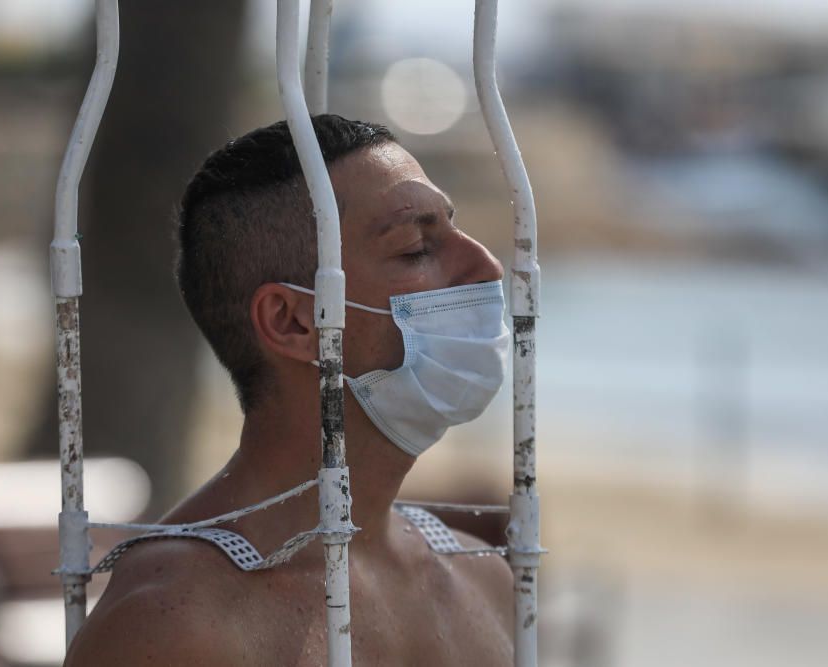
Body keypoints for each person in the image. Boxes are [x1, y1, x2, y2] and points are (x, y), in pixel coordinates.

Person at [65, 115, 515, 666]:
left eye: (453, 228)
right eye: (416, 247)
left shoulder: (482, 579)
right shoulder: (173, 623)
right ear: (294, 322)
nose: (487, 266)